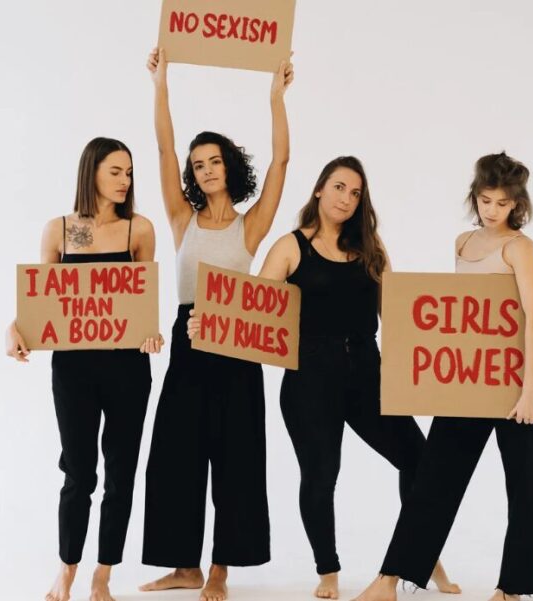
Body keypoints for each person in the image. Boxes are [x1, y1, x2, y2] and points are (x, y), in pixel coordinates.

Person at [188, 156, 460, 599]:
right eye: (339, 187)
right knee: (320, 475)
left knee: (421, 460)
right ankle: (328, 570)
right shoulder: (291, 247)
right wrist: (209, 325)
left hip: (366, 372)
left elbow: (401, 316)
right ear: (319, 189)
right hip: (309, 378)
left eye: (355, 193)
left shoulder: (372, 248)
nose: (346, 199)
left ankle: (419, 557)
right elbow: (251, 313)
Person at [353, 152, 533, 601]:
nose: (492, 210)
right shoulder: (463, 242)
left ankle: (513, 588)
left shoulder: (520, 248)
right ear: (474, 197)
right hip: (471, 385)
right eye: (485, 200)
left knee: (523, 489)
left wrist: (530, 391)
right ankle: (390, 579)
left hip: (520, 386)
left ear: (517, 205)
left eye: (502, 203)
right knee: (434, 482)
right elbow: (464, 320)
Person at [137, 48, 293, 601]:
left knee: (236, 454)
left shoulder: (250, 229)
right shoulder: (182, 219)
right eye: (198, 164)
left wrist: (275, 98)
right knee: (175, 453)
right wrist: (161, 85)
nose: (204, 169)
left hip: (237, 344)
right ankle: (185, 567)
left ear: (229, 166)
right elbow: (162, 146)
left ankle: (222, 568)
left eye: (214, 161)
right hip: (188, 337)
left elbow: (280, 165)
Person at [4, 137, 162, 601]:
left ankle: (104, 574)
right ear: (90, 171)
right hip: (73, 369)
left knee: (121, 472)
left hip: (127, 370)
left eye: (129, 172)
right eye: (115, 171)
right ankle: (67, 568)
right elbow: (42, 302)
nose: (124, 180)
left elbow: (142, 304)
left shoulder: (139, 230)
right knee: (79, 473)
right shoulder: (59, 230)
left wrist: (150, 334)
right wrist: (12, 328)